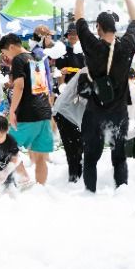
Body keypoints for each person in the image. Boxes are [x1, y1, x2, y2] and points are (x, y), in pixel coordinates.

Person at [73, 0, 135, 193]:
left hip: (94, 112)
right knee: (119, 157)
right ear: (115, 27)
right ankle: (121, 193)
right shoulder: (127, 45)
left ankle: (90, 194)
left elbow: (78, 19)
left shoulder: (92, 45)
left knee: (91, 157)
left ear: (98, 27)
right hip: (119, 112)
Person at [0, 32, 53, 185]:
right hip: (43, 111)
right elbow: (42, 86)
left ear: (11, 47)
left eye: (5, 53)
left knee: (4, 146)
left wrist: (13, 111)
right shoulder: (35, 57)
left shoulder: (18, 60)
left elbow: (20, 86)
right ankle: (41, 188)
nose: (6, 56)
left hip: (29, 113)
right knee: (40, 158)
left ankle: (24, 179)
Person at [51, 22, 85, 181]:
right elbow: (59, 76)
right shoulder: (63, 52)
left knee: (80, 139)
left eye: (75, 34)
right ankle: (75, 174)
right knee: (73, 142)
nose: (73, 36)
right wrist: (62, 77)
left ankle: (79, 171)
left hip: (82, 95)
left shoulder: (84, 52)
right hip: (67, 96)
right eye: (70, 34)